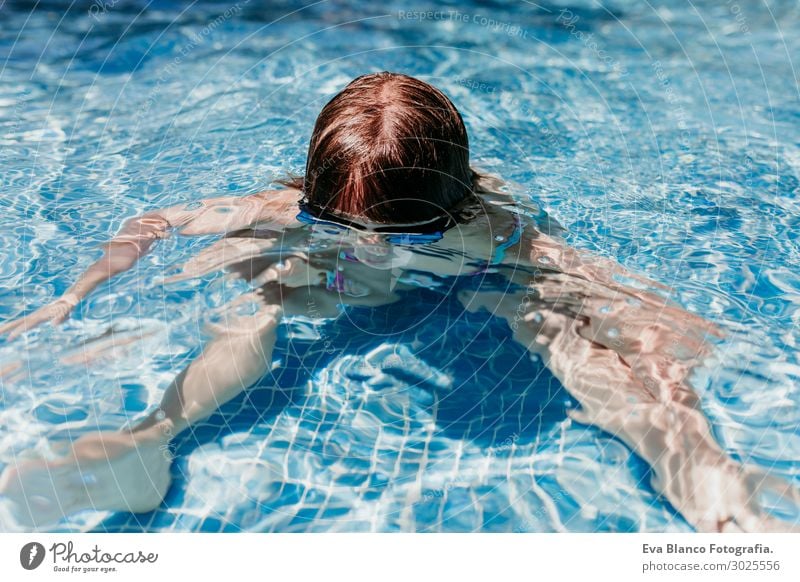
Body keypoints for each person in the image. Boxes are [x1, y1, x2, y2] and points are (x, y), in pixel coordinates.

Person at [0, 72, 796, 533]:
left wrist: (665, 360)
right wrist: (77, 295)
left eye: (399, 231)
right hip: (326, 287)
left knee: (563, 328)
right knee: (257, 290)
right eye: (336, 222)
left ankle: (695, 466)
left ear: (449, 209)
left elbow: (608, 298)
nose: (366, 246)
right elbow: (159, 222)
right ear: (312, 199)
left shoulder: (493, 232)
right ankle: (149, 443)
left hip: (475, 287)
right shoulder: (295, 219)